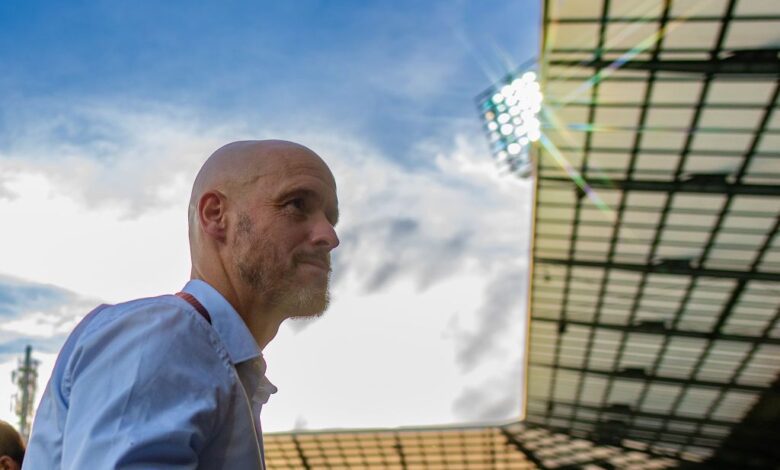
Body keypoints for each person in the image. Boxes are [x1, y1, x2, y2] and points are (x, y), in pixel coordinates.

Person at [23, 140, 340, 469]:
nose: (329, 236)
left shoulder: (207, 357)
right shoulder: (164, 337)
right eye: (297, 204)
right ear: (215, 215)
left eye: (331, 218)